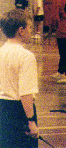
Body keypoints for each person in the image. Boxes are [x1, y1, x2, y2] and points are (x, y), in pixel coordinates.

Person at [0, 9, 39, 148]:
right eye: (29, 27)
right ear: (21, 30)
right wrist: (31, 121)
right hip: (18, 111)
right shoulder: (26, 56)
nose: (31, 31)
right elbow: (26, 93)